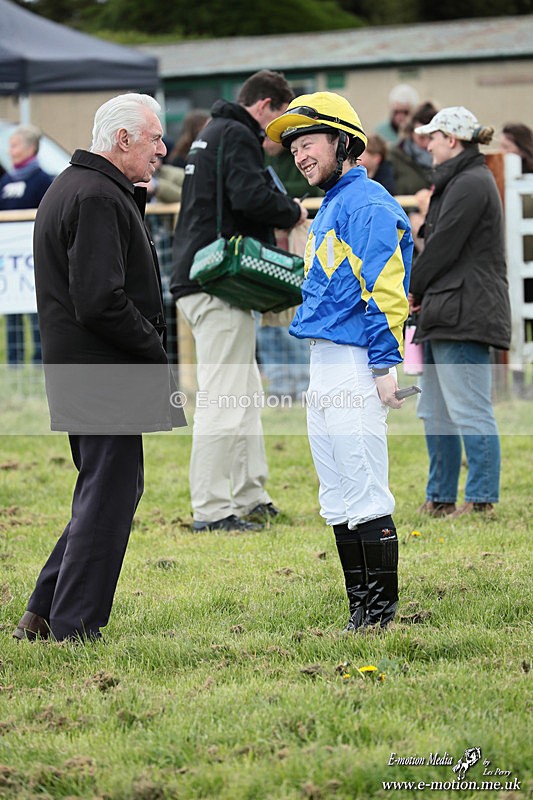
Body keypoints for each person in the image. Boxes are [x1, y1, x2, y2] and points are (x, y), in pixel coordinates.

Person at [13, 93, 186, 642]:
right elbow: (99, 300)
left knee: (106, 493)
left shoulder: (83, 186)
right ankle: (76, 626)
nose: (163, 149)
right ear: (123, 139)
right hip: (103, 373)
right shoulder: (94, 195)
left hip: (89, 371)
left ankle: (43, 613)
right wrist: (154, 348)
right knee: (108, 498)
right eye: (155, 137)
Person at [266, 92, 413, 630]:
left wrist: (384, 368)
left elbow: (386, 291)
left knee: (364, 485)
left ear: (344, 143)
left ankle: (380, 617)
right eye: (294, 149)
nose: (300, 156)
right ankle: (360, 613)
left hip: (355, 361)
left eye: (308, 143)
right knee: (336, 491)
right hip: (323, 361)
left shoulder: (368, 204)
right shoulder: (332, 204)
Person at [170, 70, 308, 532]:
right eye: (281, 119)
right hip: (217, 283)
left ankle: (251, 496)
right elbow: (249, 196)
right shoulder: (237, 134)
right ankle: (211, 510)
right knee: (224, 398)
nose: (282, 134)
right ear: (265, 106)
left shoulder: (214, 132)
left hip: (204, 278)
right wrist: (293, 210)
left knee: (244, 393)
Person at [409, 106, 511, 518]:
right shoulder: (460, 180)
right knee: (434, 410)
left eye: (432, 138)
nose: (428, 145)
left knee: (469, 408)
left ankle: (481, 499)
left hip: (464, 311)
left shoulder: (469, 183)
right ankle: (440, 497)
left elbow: (442, 247)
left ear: (451, 140)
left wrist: (412, 288)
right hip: (446, 308)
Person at [0, 124, 53, 365]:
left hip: (34, 258)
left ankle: (40, 357)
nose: (10, 151)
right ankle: (14, 360)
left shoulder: (43, 181)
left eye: (15, 146)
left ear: (31, 148)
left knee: (35, 309)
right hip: (10, 262)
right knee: (12, 311)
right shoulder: (5, 181)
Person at [388, 102, 437, 197]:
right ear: (410, 133)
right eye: (421, 137)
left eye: (432, 138)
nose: (427, 144)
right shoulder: (394, 158)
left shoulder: (447, 160)